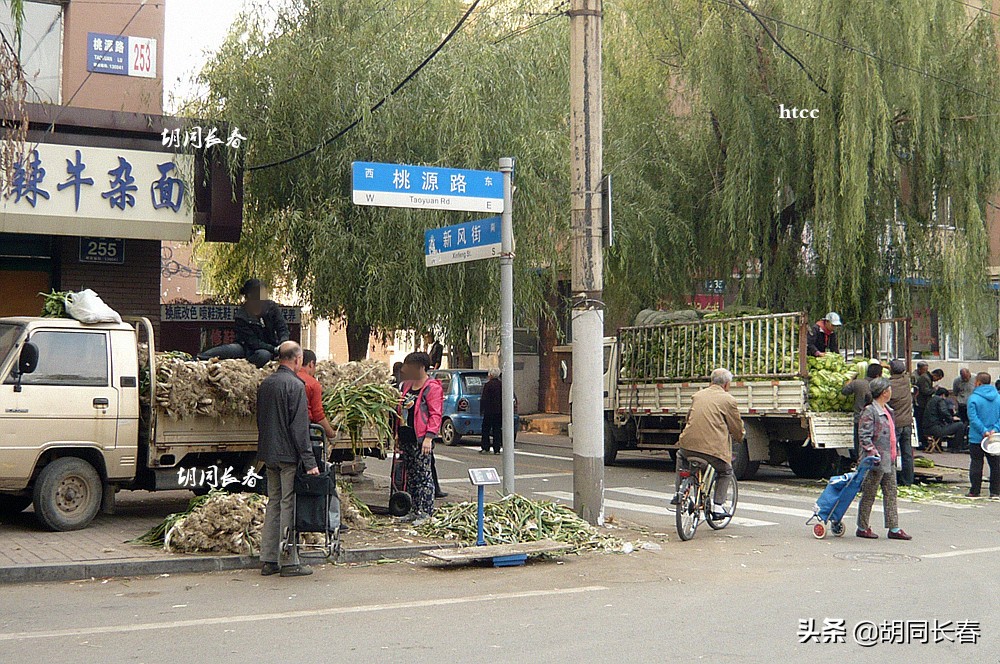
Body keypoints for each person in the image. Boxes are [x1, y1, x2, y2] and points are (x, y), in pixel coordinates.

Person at [257, 341, 319, 577]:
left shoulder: (266, 384)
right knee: (288, 505)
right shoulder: (295, 386)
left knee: (273, 503)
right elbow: (300, 429)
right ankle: (289, 560)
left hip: (268, 453)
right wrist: (310, 462)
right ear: (298, 359)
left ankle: (268, 559)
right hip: (288, 456)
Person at [673, 368, 744, 518]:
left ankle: (680, 492)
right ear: (726, 384)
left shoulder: (697, 396)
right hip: (712, 451)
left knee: (681, 458)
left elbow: (688, 418)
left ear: (711, 381)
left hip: (688, 445)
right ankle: (718, 506)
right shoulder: (728, 400)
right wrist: (740, 437)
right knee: (725, 471)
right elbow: (736, 426)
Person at [856, 378, 911, 540]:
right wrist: (873, 453)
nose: (891, 391)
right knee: (869, 494)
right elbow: (864, 436)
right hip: (875, 461)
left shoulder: (888, 409)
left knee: (891, 493)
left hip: (890, 458)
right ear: (884, 393)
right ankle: (862, 526)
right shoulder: (870, 411)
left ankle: (894, 528)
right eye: (889, 389)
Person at [298, 349, 346, 533]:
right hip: (310, 437)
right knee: (317, 477)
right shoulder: (312, 384)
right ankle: (322, 520)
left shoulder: (290, 379)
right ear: (311, 364)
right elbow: (318, 415)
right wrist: (331, 432)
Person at [396, 352, 444, 524]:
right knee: (412, 476)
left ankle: (426, 512)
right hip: (406, 437)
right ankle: (414, 510)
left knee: (424, 476)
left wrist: (429, 437)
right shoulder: (407, 386)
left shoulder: (432, 387)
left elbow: (435, 414)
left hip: (421, 439)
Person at [198, 279, 290, 368]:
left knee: (279, 352)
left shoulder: (272, 308)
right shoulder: (241, 316)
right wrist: (274, 349)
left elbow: (282, 328)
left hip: (272, 346)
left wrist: (284, 343)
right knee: (257, 354)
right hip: (247, 347)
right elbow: (253, 342)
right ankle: (199, 358)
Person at [966, 371, 1000, 499]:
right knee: (996, 465)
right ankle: (995, 491)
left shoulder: (973, 398)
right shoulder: (998, 397)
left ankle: (975, 491)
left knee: (976, 463)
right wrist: (994, 430)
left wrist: (983, 431)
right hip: (995, 437)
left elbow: (973, 418)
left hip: (977, 437)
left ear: (978, 383)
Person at [842, 361, 883, 459]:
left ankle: (859, 463)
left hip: (860, 419)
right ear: (878, 375)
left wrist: (851, 379)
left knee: (859, 444)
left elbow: (844, 391)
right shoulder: (882, 385)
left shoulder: (858, 383)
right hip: (878, 419)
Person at [887, 359, 915, 486]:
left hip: (895, 423)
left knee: (891, 452)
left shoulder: (889, 385)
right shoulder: (906, 380)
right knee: (907, 453)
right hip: (907, 422)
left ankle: (890, 479)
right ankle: (908, 480)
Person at [480, 368, 503, 455]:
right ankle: (497, 449)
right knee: (497, 430)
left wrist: (482, 410)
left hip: (489, 411)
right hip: (499, 412)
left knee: (486, 429)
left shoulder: (488, 385)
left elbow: (484, 398)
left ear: (491, 375)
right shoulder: (501, 385)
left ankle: (486, 447)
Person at [913, 362, 934, 449]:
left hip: (922, 403)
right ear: (919, 369)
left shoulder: (924, 377)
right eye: (924, 370)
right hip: (919, 403)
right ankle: (920, 441)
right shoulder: (916, 377)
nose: (926, 372)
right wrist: (933, 390)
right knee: (919, 422)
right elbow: (925, 391)